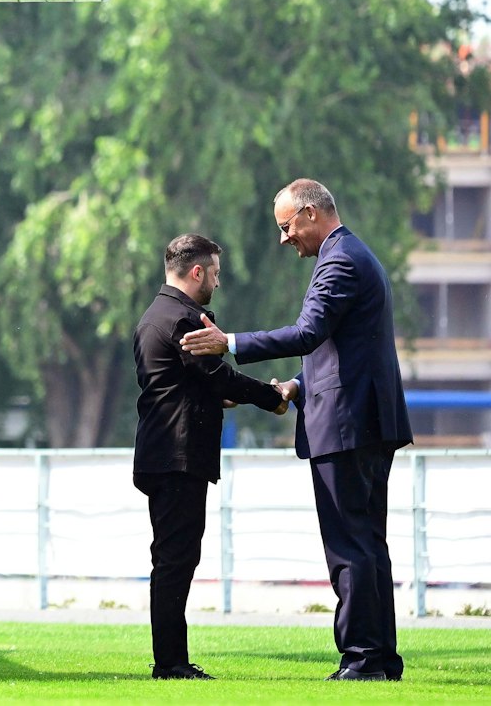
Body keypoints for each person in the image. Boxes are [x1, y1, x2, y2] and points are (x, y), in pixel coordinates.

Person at [180, 180, 413, 681]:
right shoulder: (352, 254)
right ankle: (380, 657)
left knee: (349, 546)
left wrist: (231, 342)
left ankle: (362, 660)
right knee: (370, 544)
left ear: (310, 213)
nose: (285, 240)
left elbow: (309, 332)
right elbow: (340, 352)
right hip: (367, 420)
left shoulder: (339, 260)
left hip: (348, 425)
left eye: (287, 227)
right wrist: (297, 385)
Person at [134, 233, 288, 681]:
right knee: (176, 559)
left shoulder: (153, 316)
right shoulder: (184, 319)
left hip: (159, 451)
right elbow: (216, 374)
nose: (218, 283)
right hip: (179, 455)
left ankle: (171, 659)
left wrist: (217, 396)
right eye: (215, 273)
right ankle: (171, 663)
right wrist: (272, 397)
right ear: (197, 271)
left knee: (171, 557)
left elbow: (180, 384)